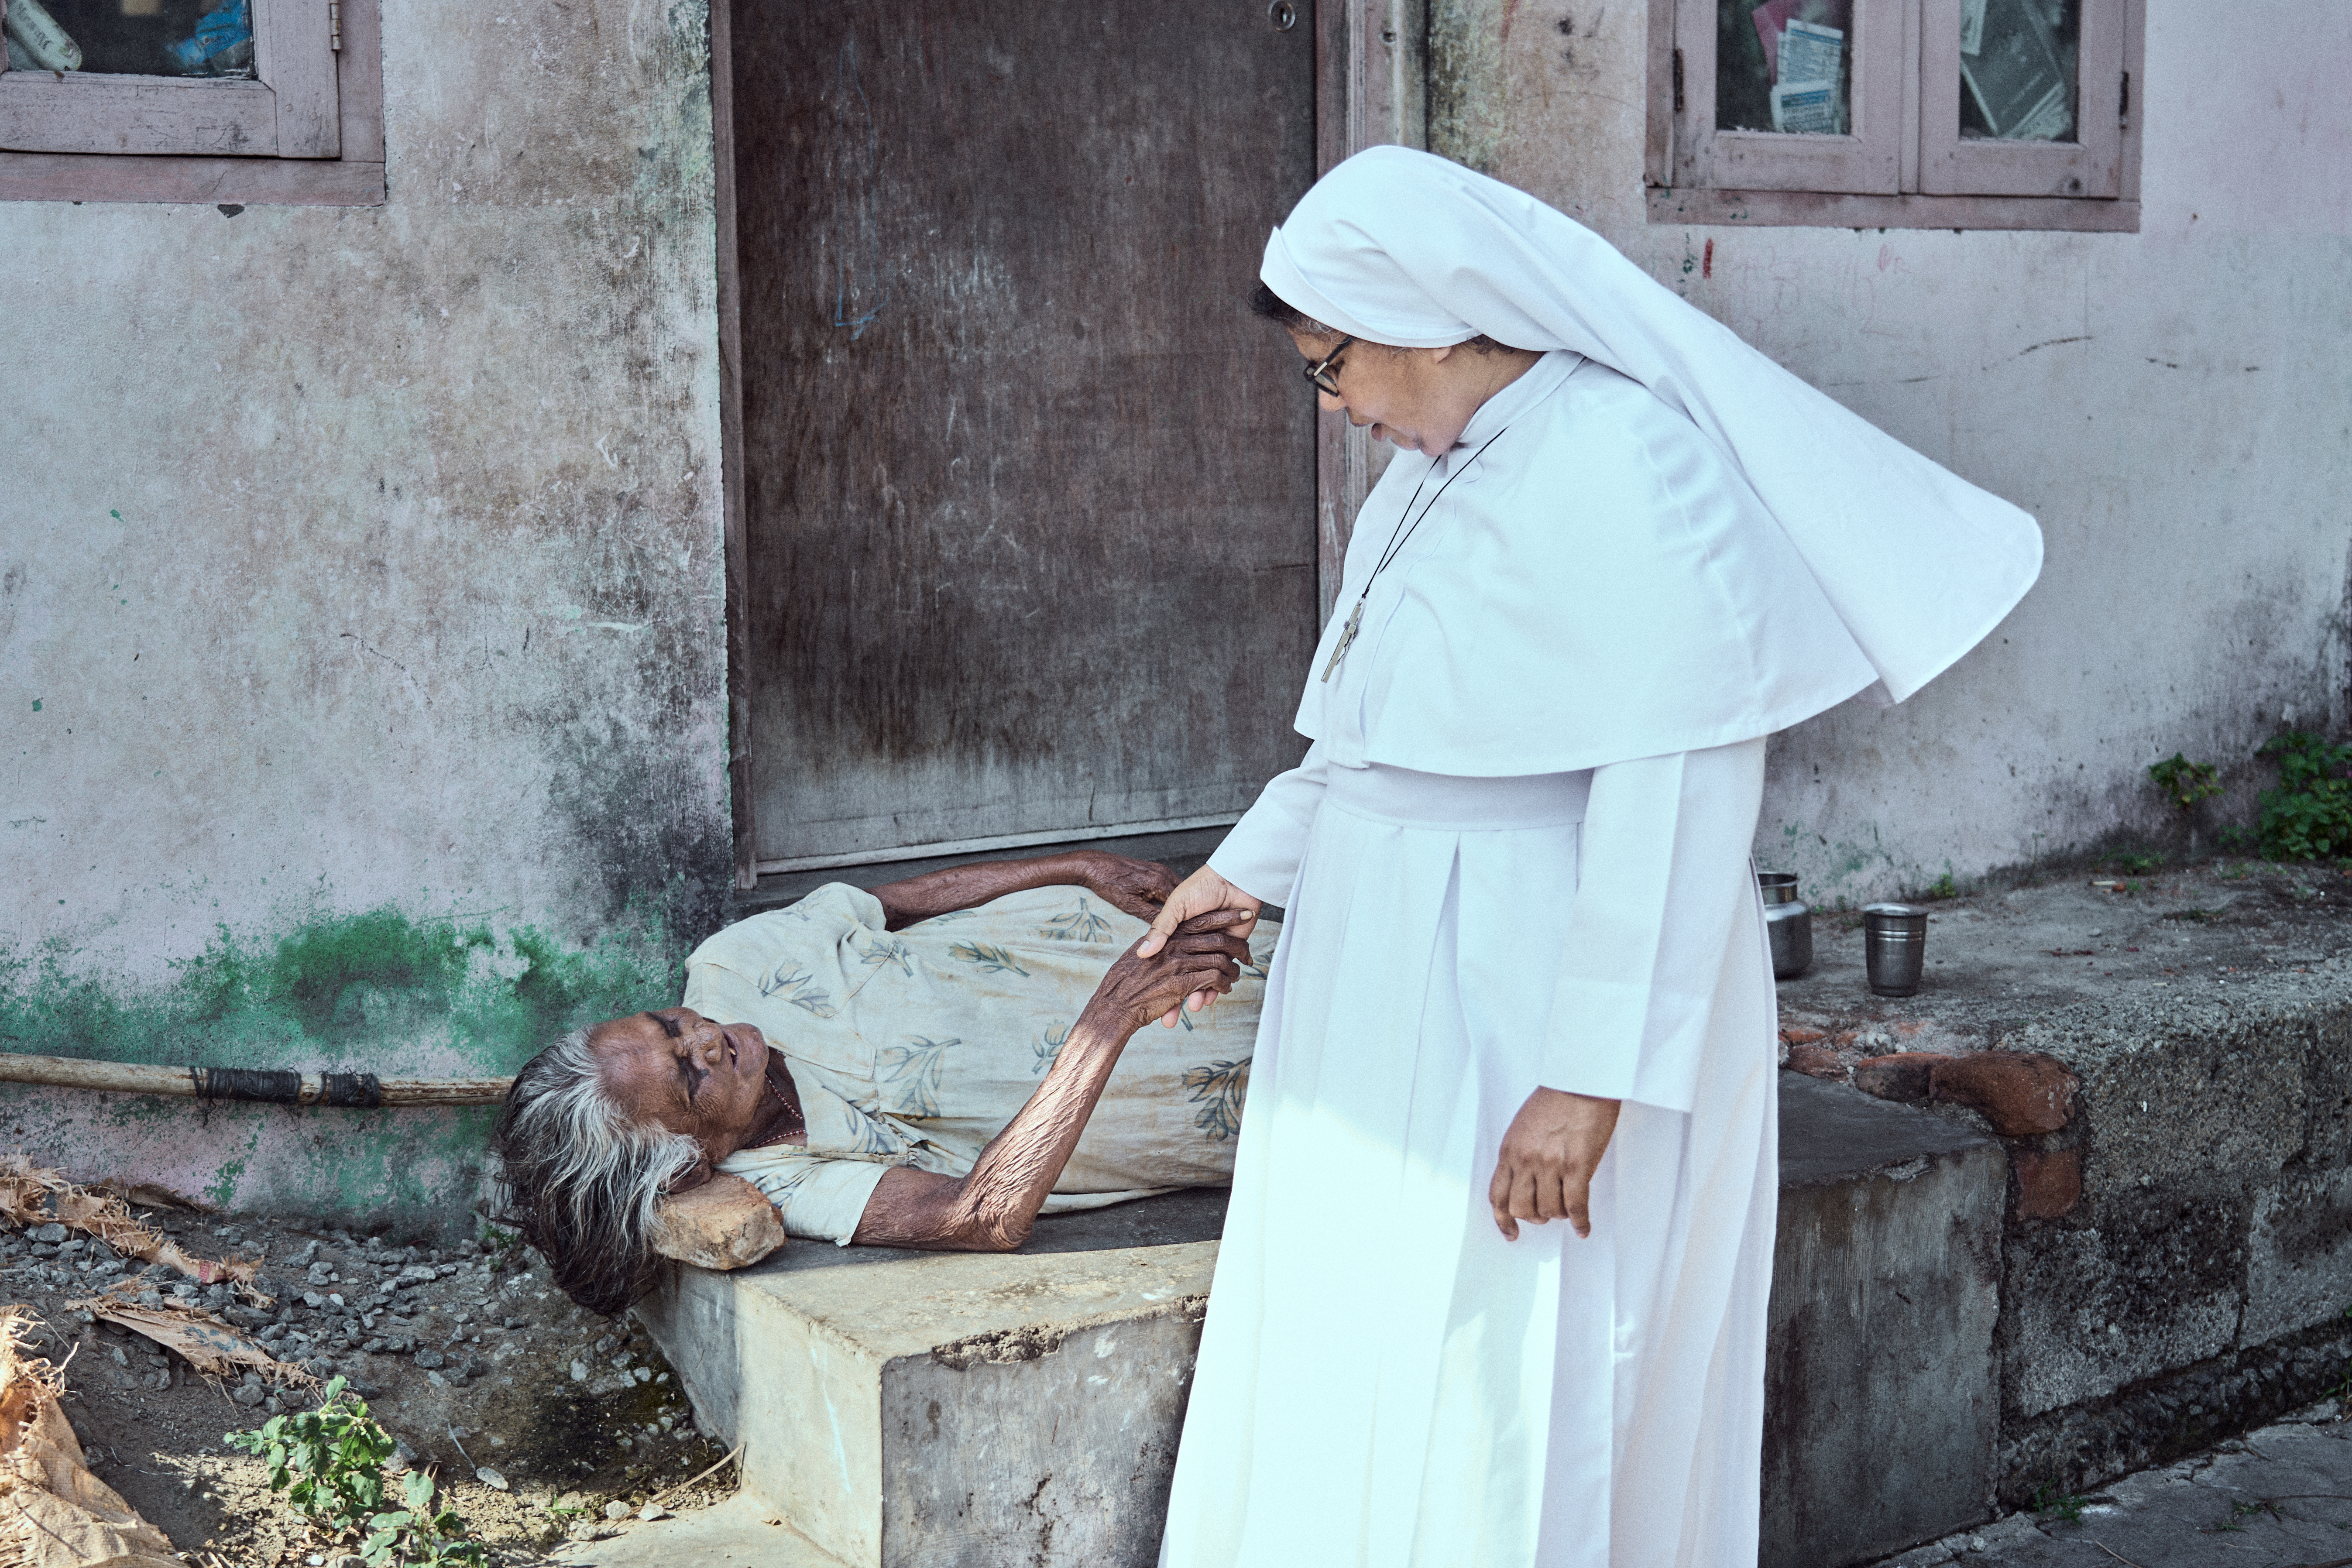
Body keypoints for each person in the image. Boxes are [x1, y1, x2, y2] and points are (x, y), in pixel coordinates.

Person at [1142, 148, 2042, 1567]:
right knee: (1372, 1322)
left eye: (1332, 366)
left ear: (1429, 322)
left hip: (1535, 978)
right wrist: (1244, 870)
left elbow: (1675, 788)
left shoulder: (1630, 462)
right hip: (1385, 973)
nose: (1335, 405)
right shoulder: (1429, 474)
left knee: (1517, 1353)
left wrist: (1587, 1077)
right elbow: (1374, 739)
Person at [491, 850, 1270, 1315]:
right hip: (1176, 1081)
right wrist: (1110, 1019)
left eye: (668, 1022)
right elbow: (982, 1216)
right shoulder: (787, 1180)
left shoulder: (732, 963)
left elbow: (887, 905)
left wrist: (1076, 866)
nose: (704, 1036)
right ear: (689, 1163)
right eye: (689, 1076)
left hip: (1114, 946)